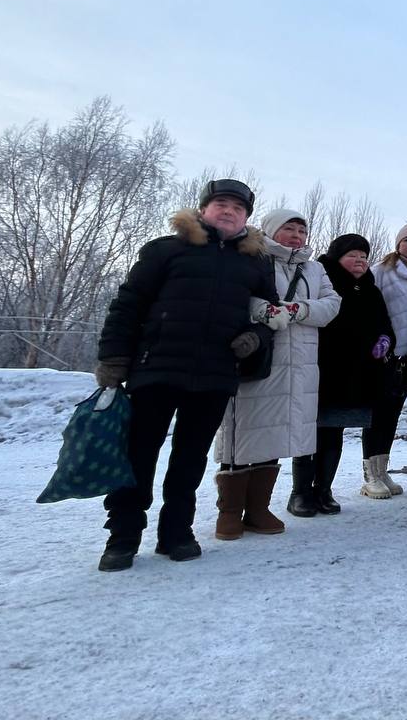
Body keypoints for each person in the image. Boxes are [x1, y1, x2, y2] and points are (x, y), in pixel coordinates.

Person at [94, 178, 276, 571]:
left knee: (190, 460)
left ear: (246, 216)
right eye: (220, 204)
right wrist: (113, 358)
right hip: (156, 368)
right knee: (138, 455)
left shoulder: (255, 262)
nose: (228, 212)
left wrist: (254, 337)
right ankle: (123, 536)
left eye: (237, 208)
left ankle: (176, 532)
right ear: (204, 209)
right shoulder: (166, 249)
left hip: (213, 373)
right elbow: (128, 304)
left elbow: (269, 313)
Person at [213, 209, 340, 540]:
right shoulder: (253, 257)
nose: (297, 235)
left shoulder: (314, 268)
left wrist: (298, 310)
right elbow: (236, 294)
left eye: (302, 229)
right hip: (258, 354)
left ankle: (258, 508)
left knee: (276, 432)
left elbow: (331, 304)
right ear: (272, 230)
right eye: (289, 228)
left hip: (300, 362)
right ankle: (229, 511)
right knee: (243, 430)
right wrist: (264, 311)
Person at [294, 234, 395, 516]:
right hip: (321, 368)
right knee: (309, 432)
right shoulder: (322, 282)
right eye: (353, 256)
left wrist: (385, 340)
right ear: (338, 257)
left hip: (355, 374)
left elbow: (384, 324)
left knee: (334, 430)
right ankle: (300, 493)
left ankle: (324, 489)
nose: (360, 261)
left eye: (364, 257)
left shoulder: (370, 290)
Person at [368, 223, 407, 497]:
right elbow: (369, 306)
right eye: (406, 240)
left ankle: (383, 471)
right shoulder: (381, 272)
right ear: (398, 244)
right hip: (382, 353)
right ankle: (370, 474)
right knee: (376, 415)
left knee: (392, 415)